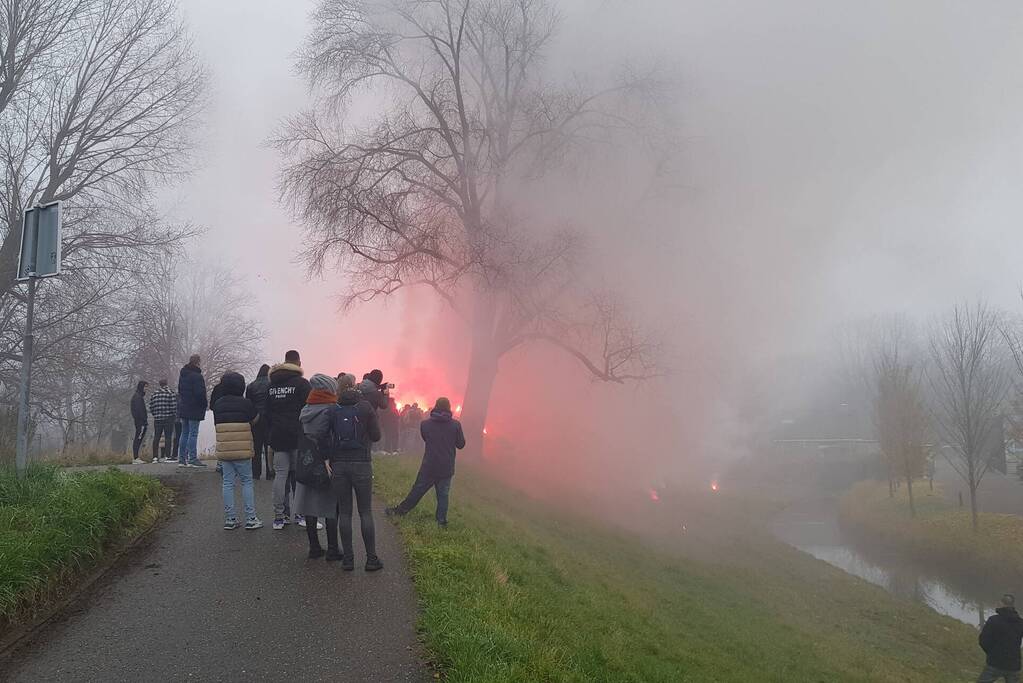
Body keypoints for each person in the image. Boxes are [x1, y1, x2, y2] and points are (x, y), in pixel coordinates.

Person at [329, 373, 382, 571]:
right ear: (355, 386)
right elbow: (376, 436)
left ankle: (348, 560)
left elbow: (325, 435)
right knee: (365, 512)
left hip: (339, 465)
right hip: (362, 463)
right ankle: (371, 560)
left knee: (344, 512)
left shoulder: (333, 408)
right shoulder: (365, 407)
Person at [386, 397, 465, 527]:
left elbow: (425, 438)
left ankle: (401, 511)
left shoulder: (425, 424)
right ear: (449, 408)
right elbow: (461, 444)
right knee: (443, 496)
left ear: (436, 407)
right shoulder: (455, 425)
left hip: (429, 465)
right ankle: (441, 521)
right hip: (446, 467)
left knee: (417, 491)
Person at [211, 371, 263, 530]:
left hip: (225, 450)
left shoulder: (218, 404)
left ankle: (230, 519)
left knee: (228, 483)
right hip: (242, 450)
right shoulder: (246, 403)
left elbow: (216, 423)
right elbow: (255, 419)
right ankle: (251, 518)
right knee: (247, 481)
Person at [296, 373, 340, 559]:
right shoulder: (331, 409)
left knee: (308, 504)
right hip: (326, 461)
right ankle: (333, 549)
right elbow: (328, 436)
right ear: (329, 389)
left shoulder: (306, 409)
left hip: (307, 460)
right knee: (331, 505)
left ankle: (314, 547)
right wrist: (328, 458)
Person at [267, 350, 311, 530]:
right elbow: (309, 409)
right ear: (298, 363)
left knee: (280, 476)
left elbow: (267, 412)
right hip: (297, 435)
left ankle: (279, 517)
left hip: (277, 436)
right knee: (298, 477)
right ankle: (300, 514)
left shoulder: (271, 385)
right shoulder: (302, 384)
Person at [977, 594, 1023, 683]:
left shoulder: (993, 620)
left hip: (995, 662)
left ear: (1001, 603)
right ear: (1012, 605)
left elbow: (983, 640)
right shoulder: (1020, 622)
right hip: (1014, 665)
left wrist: (991, 653)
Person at [177, 354, 208, 468]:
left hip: (184, 406)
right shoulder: (197, 376)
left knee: (184, 433)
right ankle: (192, 459)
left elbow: (180, 391)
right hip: (194, 408)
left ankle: (182, 459)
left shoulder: (183, 375)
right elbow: (200, 393)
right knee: (193, 433)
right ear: (198, 362)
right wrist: (204, 404)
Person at [246, 364, 272, 480]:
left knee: (256, 447)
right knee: (269, 447)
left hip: (256, 419)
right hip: (269, 418)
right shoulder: (272, 385)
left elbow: (248, 404)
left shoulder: (251, 386)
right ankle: (270, 473)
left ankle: (256, 473)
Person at [148, 379, 177, 463]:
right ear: (166, 384)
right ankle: (167, 456)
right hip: (168, 418)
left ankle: (155, 457)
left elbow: (151, 407)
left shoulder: (154, 394)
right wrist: (172, 415)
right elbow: (174, 407)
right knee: (168, 437)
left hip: (157, 419)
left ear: (160, 384)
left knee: (156, 437)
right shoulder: (170, 393)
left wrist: (155, 414)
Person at [130, 381, 148, 464]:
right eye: (145, 387)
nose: (146, 389)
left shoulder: (139, 396)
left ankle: (136, 457)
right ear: (141, 387)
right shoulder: (137, 397)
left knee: (139, 439)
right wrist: (143, 420)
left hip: (140, 422)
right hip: (140, 422)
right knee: (138, 438)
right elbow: (138, 411)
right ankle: (135, 457)